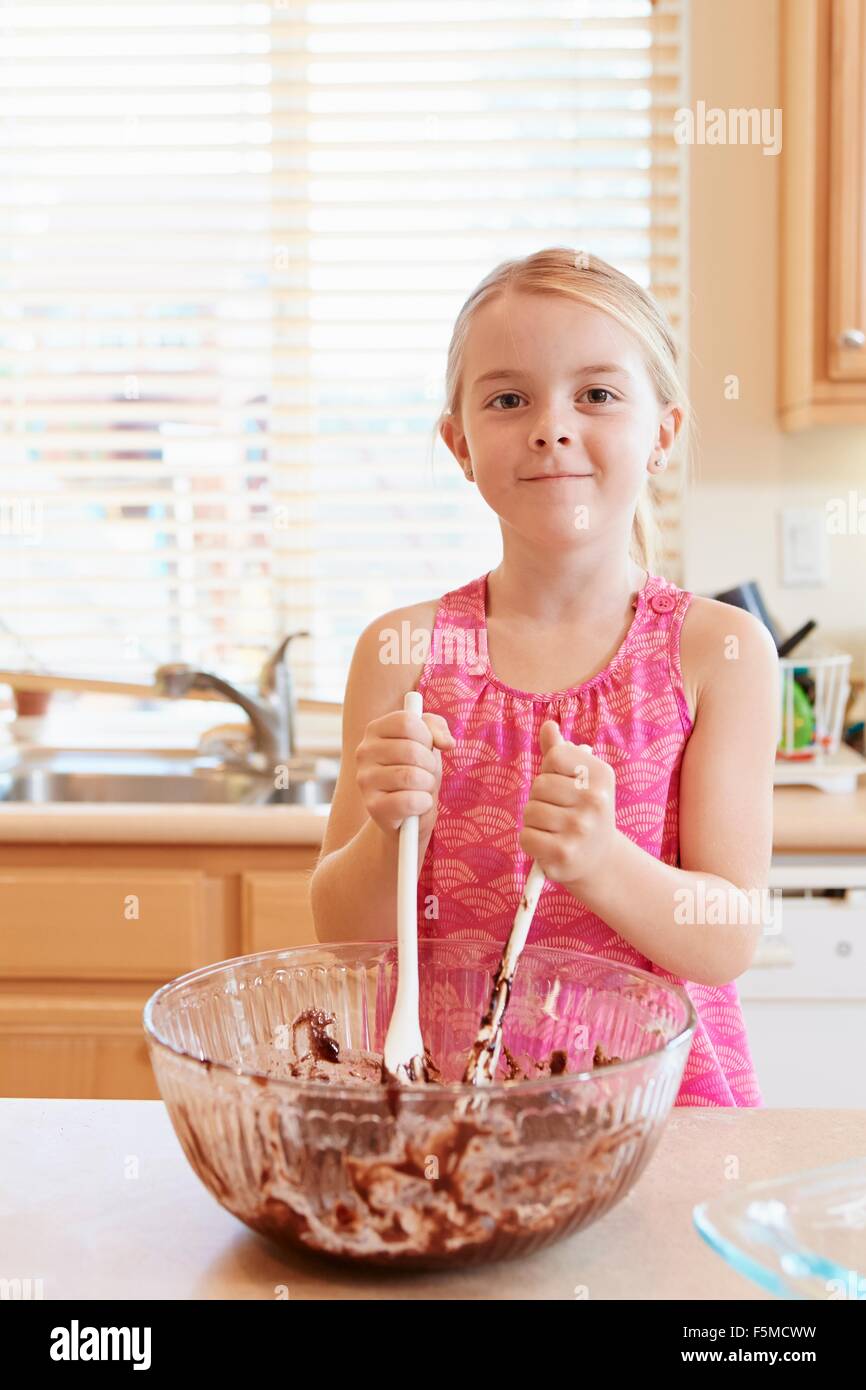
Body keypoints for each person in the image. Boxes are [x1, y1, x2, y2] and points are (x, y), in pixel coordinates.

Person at [311, 246, 779, 1107]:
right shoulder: (404, 653)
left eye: (596, 394)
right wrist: (387, 834)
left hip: (659, 1118)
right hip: (448, 1111)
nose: (551, 426)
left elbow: (729, 936)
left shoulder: (719, 652)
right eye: (507, 398)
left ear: (663, 433)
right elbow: (344, 940)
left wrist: (600, 861)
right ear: (459, 443)